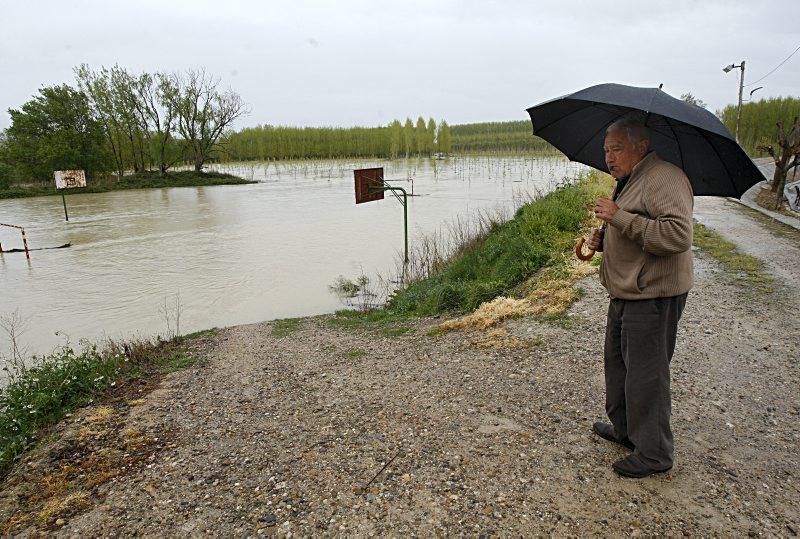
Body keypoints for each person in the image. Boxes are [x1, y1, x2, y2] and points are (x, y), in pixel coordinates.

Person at [585, 114, 694, 478]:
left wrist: (619, 219)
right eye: (606, 150)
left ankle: (654, 453)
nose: (609, 158)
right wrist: (605, 240)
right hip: (626, 292)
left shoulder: (664, 177)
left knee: (646, 375)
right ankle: (626, 431)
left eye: (616, 149)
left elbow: (677, 236)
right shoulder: (632, 179)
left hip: (652, 295)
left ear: (641, 146)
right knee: (618, 367)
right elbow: (632, 228)